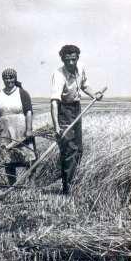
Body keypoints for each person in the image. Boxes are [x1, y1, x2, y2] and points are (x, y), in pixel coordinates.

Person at [51, 45, 103, 194]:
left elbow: (84, 85)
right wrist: (56, 127)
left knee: (78, 149)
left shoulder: (80, 67)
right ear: (63, 60)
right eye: (68, 60)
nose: (71, 63)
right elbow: (54, 102)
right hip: (63, 110)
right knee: (69, 149)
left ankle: (72, 181)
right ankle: (67, 188)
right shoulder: (58, 75)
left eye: (74, 59)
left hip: (76, 107)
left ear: (77, 58)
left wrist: (95, 95)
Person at [0, 68, 36, 185]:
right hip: (4, 131)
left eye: (11, 78)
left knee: (27, 155)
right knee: (7, 157)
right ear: (3, 79)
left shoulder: (22, 93)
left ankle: (30, 184)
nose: (8, 80)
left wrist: (29, 129)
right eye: (6, 78)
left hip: (20, 129)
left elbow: (29, 112)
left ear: (15, 78)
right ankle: (12, 184)